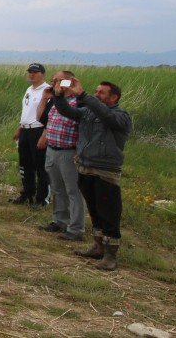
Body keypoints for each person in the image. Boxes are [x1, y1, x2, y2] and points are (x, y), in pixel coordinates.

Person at [53, 77, 132, 270]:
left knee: (109, 213)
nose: (96, 95)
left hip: (105, 170)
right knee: (95, 210)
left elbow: (106, 116)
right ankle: (98, 246)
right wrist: (58, 96)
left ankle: (110, 254)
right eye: (95, 91)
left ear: (114, 97)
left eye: (101, 93)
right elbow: (68, 112)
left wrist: (84, 96)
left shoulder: (121, 116)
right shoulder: (89, 111)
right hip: (86, 166)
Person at [36, 70, 85, 240]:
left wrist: (80, 152)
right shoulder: (56, 101)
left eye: (59, 81)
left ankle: (76, 229)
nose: (54, 84)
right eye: (53, 80)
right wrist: (45, 97)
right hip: (52, 150)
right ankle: (59, 221)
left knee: (73, 191)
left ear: (70, 82)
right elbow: (41, 118)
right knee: (57, 189)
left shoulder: (80, 103)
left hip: (69, 152)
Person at [11, 63, 51, 206]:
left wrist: (44, 135)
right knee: (25, 164)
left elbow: (50, 116)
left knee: (40, 166)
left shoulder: (47, 90)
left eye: (35, 72)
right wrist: (20, 128)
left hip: (38, 129)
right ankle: (27, 193)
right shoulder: (29, 89)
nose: (32, 74)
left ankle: (42, 198)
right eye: (30, 71)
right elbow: (26, 111)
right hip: (26, 129)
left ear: (42, 74)